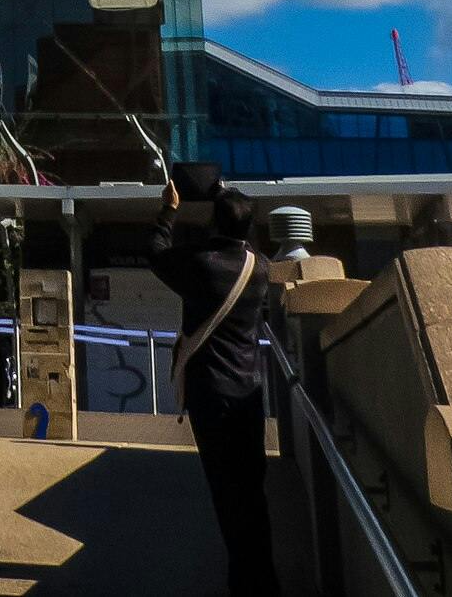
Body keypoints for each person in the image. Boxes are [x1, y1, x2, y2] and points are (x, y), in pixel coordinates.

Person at [149, 178, 280, 597]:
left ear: (213, 223)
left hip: (210, 395)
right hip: (248, 392)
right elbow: (244, 245)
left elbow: (156, 252)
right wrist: (227, 200)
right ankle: (264, 581)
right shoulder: (260, 268)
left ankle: (243, 583)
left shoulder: (201, 264)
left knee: (226, 493)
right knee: (252, 490)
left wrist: (169, 210)